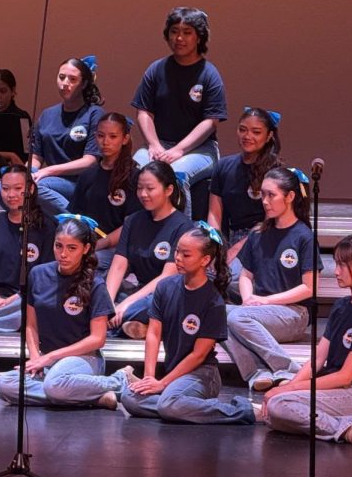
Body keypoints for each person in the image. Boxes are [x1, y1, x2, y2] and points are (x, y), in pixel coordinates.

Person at [264, 233, 352, 447]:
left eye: (342, 265)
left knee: (279, 406)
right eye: (336, 264)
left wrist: (290, 390)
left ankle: (346, 428)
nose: (336, 271)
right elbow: (317, 360)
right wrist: (292, 384)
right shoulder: (341, 306)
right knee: (274, 411)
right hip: (337, 386)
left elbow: (345, 376)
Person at [121, 224, 255, 425]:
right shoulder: (165, 287)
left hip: (202, 374)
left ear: (205, 260)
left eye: (186, 255)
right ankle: (182, 406)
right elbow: (154, 334)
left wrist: (163, 383)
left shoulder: (213, 301)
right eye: (177, 252)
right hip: (174, 372)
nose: (178, 258)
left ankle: (242, 410)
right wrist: (149, 378)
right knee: (129, 399)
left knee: (169, 404)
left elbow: (199, 355)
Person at [0, 215, 134, 408]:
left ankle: (120, 379)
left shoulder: (95, 284)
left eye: (72, 248)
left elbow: (97, 339)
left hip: (83, 358)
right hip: (47, 358)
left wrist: (50, 357)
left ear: (85, 249)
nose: (63, 254)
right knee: (6, 385)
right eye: (58, 246)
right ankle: (91, 397)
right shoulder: (38, 274)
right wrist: (36, 358)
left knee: (54, 384)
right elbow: (31, 325)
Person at [221, 167, 318, 391]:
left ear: (290, 197)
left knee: (238, 319)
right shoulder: (258, 234)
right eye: (263, 194)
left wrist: (265, 301)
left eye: (271, 195)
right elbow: (245, 275)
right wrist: (247, 299)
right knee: (215, 313)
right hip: (257, 311)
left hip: (292, 313)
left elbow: (309, 288)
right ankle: (258, 372)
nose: (265, 201)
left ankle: (288, 369)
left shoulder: (303, 236)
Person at [131, 7, 228, 216]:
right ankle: (138, 235)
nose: (179, 38)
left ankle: (182, 240)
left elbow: (211, 121)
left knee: (175, 175)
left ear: (199, 37)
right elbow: (143, 112)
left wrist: (180, 150)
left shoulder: (209, 74)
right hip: (160, 145)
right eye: (174, 31)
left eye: (187, 32)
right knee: (136, 170)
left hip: (200, 150)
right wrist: (154, 145)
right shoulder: (156, 69)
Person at [105, 161, 195, 339]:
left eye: (150, 188)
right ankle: (132, 326)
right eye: (139, 188)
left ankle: (120, 325)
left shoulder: (183, 226)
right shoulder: (132, 221)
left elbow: (167, 278)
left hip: (164, 294)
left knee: (152, 303)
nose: (143, 194)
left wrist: (126, 304)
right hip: (138, 290)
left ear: (168, 190)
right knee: (97, 296)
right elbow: (118, 266)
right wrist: (106, 305)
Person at [0, 165, 57, 333]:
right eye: (6, 188)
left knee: (36, 304)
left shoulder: (46, 226)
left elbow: (46, 277)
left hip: (26, 297)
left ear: (30, 189)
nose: (11, 194)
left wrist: (12, 300)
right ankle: (3, 318)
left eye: (18, 188)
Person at [208, 107, 282, 280]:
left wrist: (236, 249)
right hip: (230, 237)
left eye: (256, 132)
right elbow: (214, 213)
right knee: (203, 273)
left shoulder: (275, 171)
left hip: (261, 237)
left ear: (269, 135)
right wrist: (215, 246)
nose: (247, 136)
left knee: (229, 277)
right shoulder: (223, 166)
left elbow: (270, 220)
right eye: (242, 130)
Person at [25, 56, 104, 218]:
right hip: (50, 178)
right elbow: (36, 156)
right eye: (61, 77)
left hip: (80, 182)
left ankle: (79, 222)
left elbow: (90, 161)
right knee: (3, 188)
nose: (65, 83)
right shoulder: (47, 114)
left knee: (36, 188)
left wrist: (47, 171)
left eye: (72, 79)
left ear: (84, 84)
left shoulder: (94, 114)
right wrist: (26, 173)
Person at [69, 112, 143, 272]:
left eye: (113, 136)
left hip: (118, 249)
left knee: (90, 262)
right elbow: (76, 216)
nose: (105, 142)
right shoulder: (88, 175)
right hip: (88, 243)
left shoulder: (134, 177)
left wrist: (99, 245)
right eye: (101, 136)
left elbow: (131, 224)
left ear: (125, 139)